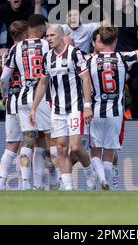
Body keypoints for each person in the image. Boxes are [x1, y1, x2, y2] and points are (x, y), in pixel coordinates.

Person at [87, 17, 138, 190]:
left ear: (99, 41)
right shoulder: (122, 57)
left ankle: (101, 179)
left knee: (95, 150)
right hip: (116, 112)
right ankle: (107, 185)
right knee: (109, 151)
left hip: (95, 110)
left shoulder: (88, 60)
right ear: (116, 41)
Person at [29, 24, 96, 191]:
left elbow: (86, 79)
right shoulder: (47, 58)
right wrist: (33, 108)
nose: (49, 38)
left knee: (75, 146)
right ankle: (68, 187)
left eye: (52, 35)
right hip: (57, 110)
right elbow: (43, 82)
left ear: (60, 36)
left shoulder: (74, 53)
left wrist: (87, 105)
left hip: (75, 107)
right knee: (60, 147)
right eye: (47, 36)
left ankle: (90, 172)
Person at [0, 14, 51, 190]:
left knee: (24, 141)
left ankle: (24, 184)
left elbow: (4, 77)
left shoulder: (13, 50)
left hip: (19, 99)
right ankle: (55, 181)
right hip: (42, 98)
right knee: (48, 141)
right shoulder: (47, 44)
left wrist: (4, 94)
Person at [0, 20, 28, 190]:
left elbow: (4, 79)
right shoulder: (27, 52)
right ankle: (25, 183)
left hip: (11, 101)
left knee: (11, 145)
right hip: (26, 100)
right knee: (29, 143)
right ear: (25, 34)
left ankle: (1, 184)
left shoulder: (6, 53)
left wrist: (4, 95)